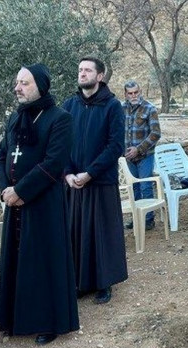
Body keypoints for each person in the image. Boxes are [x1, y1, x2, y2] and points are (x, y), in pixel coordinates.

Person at [0, 63, 79, 345]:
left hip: (43, 203)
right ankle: (14, 317)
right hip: (15, 202)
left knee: (42, 262)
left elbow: (54, 163)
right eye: (17, 82)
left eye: (24, 83)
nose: (17, 88)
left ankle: (47, 322)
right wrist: (7, 188)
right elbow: (1, 155)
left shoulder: (59, 118)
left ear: (40, 86)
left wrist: (22, 191)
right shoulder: (14, 118)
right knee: (17, 259)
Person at [63, 56, 128, 304]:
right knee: (76, 232)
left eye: (88, 70)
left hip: (99, 181)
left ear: (100, 76)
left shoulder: (112, 106)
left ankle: (104, 283)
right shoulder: (69, 105)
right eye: (80, 69)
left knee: (101, 234)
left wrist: (89, 173)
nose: (82, 74)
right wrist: (68, 172)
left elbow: (115, 146)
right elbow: (62, 143)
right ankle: (81, 282)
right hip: (72, 182)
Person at [123, 80, 161, 230]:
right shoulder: (121, 108)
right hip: (127, 156)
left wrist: (138, 149)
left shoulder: (149, 108)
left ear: (140, 92)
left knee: (145, 186)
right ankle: (137, 216)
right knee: (134, 187)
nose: (133, 95)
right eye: (130, 93)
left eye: (136, 92)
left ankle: (148, 219)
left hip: (145, 155)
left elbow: (156, 133)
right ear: (125, 94)